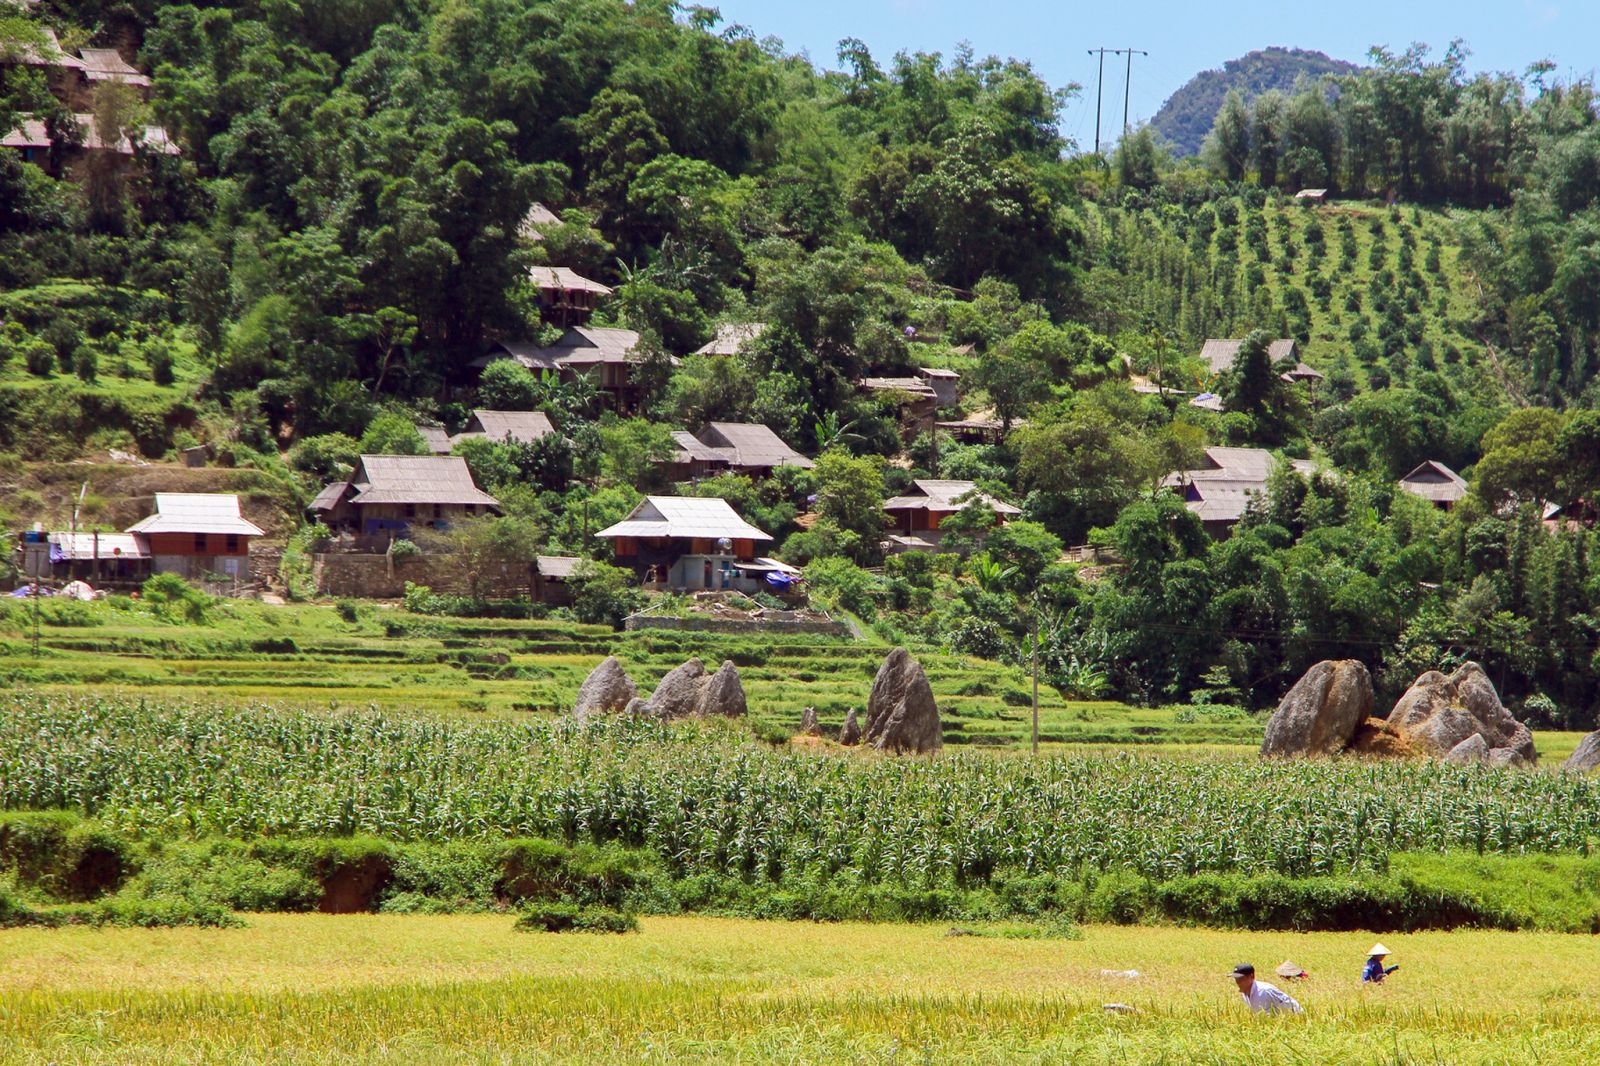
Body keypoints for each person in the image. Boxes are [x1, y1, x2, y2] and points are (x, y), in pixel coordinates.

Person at [1231, 963, 1303, 1015]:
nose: (1238, 982)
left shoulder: (1265, 991)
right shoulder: (1245, 994)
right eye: (1236, 978)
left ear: (1251, 976)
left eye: (1241, 978)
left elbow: (1293, 1008)